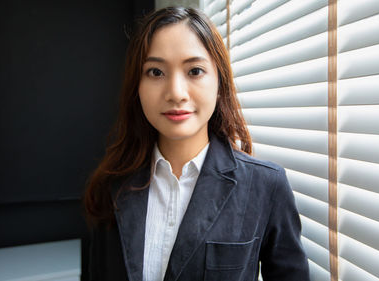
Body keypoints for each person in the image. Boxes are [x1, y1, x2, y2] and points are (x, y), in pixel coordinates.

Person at [84, 6, 309, 281]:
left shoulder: (266, 185)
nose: (176, 93)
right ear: (137, 86)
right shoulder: (111, 184)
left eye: (194, 71)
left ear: (219, 82)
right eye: (156, 72)